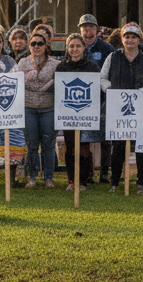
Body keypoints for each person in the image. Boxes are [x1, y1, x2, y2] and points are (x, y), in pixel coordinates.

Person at [100, 23, 143, 192]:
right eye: (127, 37)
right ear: (122, 39)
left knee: (141, 147)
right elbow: (102, 78)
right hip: (117, 109)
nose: (130, 40)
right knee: (118, 147)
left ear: (140, 40)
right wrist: (110, 90)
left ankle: (141, 183)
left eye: (133, 37)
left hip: (141, 110)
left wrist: (142, 94)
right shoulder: (113, 57)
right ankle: (115, 183)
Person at [55, 33, 101, 191]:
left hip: (86, 112)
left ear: (83, 48)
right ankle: (72, 180)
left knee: (84, 149)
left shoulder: (92, 67)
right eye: (71, 46)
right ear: (67, 48)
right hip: (67, 113)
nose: (74, 49)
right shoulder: (61, 67)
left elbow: (96, 92)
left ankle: (83, 180)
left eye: (78, 46)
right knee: (70, 147)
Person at [18, 32, 59, 188]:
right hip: (28, 108)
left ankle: (48, 178)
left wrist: (49, 84)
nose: (36, 46)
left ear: (46, 45)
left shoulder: (55, 64)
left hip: (48, 108)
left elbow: (59, 83)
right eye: (33, 43)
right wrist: (25, 78)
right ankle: (32, 178)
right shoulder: (22, 63)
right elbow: (16, 83)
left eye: (40, 43)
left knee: (48, 143)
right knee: (32, 144)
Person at [78, 14, 114, 182]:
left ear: (97, 30)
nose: (88, 32)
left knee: (106, 138)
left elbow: (114, 70)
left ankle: (105, 173)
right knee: (85, 138)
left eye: (91, 28)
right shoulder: (75, 46)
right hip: (82, 98)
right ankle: (88, 173)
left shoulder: (107, 48)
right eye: (85, 28)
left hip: (103, 97)